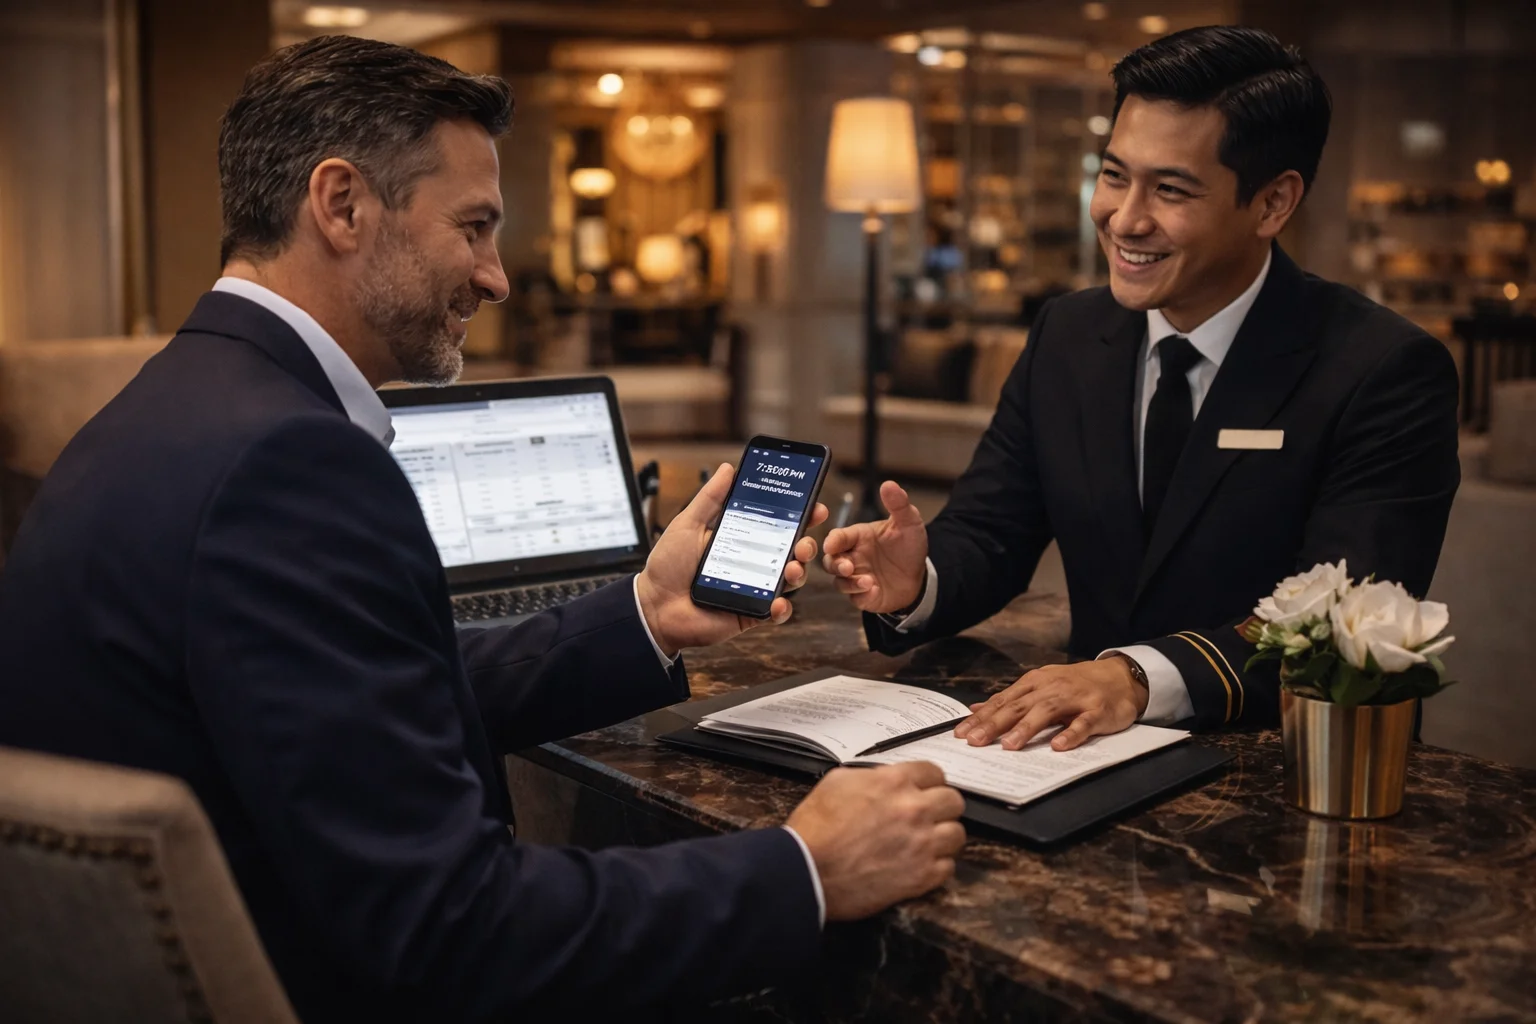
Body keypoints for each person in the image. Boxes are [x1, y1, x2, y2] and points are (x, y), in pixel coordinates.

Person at [0, 36, 966, 1022]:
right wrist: (803, 868)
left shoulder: (171, 406)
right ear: (341, 206)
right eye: (474, 227)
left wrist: (648, 612)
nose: (497, 277)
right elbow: (451, 929)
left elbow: (371, 697)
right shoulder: (287, 467)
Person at [823, 25, 1459, 751]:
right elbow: (993, 531)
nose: (1124, 218)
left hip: (1280, 774)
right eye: (1115, 175)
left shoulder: (1384, 370)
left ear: (1274, 203)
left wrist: (1133, 677)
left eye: (1171, 189)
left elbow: (1346, 625)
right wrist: (919, 580)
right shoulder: (1068, 333)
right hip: (1077, 759)